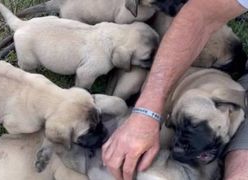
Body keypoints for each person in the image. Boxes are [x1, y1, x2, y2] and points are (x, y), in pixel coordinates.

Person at [101, 0, 248, 180]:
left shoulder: (224, 103)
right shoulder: (228, 98)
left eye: (196, 126)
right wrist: (146, 112)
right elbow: (201, 17)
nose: (177, 147)